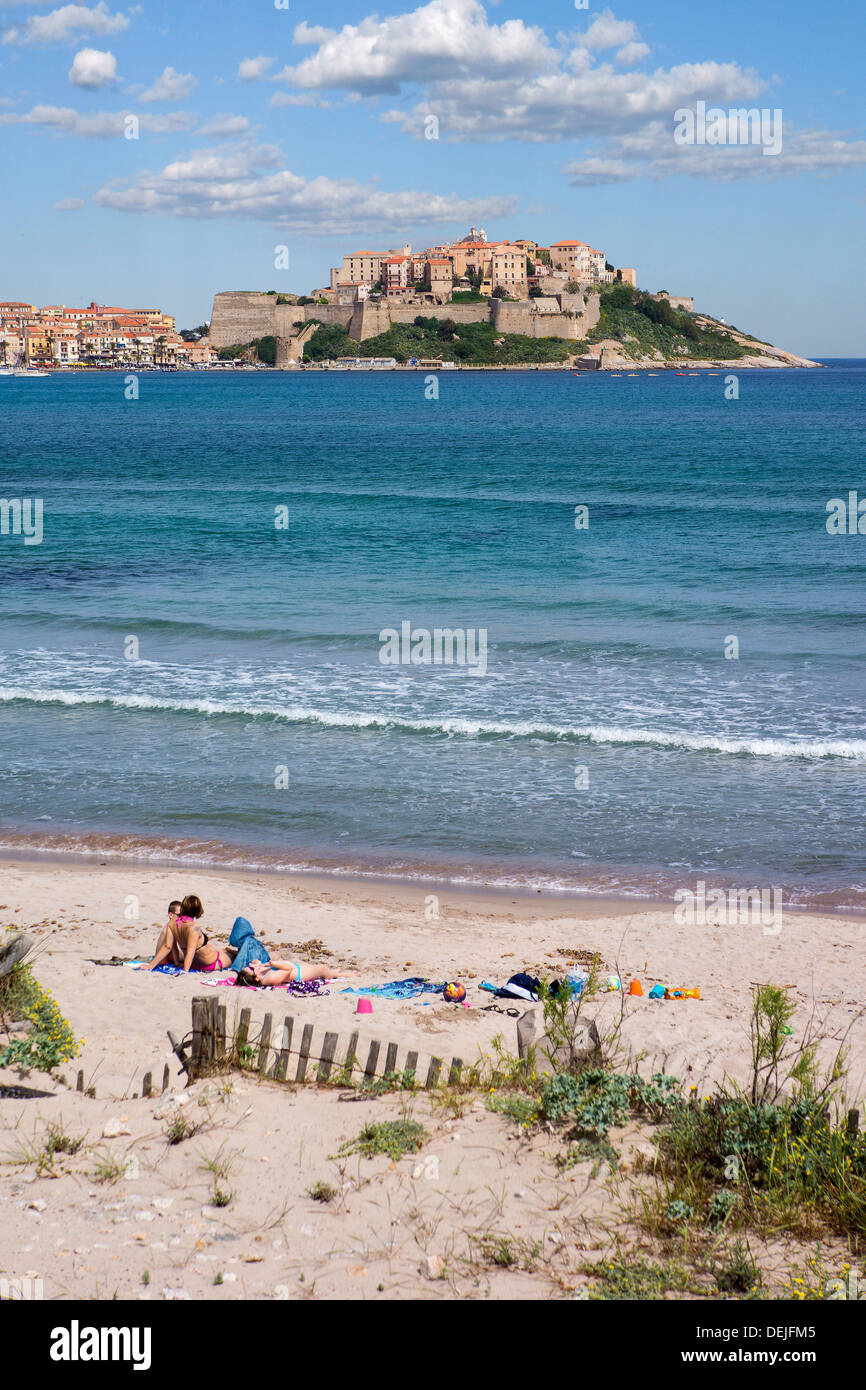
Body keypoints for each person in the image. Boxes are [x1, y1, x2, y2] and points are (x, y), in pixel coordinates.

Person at [143, 894, 225, 973]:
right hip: (209, 962)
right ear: (198, 911)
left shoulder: (172, 923)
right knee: (230, 955)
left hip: (194, 963)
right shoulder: (194, 927)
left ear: (182, 908)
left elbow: (168, 947)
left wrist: (151, 966)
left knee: (226, 951)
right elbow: (190, 952)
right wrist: (184, 971)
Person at [239, 956, 351, 987]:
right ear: (257, 978)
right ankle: (338, 974)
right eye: (252, 969)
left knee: (315, 967)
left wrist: (257, 965)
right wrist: (272, 963)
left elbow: (255, 960)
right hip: (298, 974)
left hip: (297, 968)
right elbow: (288, 969)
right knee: (322, 968)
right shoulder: (269, 979)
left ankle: (333, 972)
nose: (252, 966)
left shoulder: (261, 973)